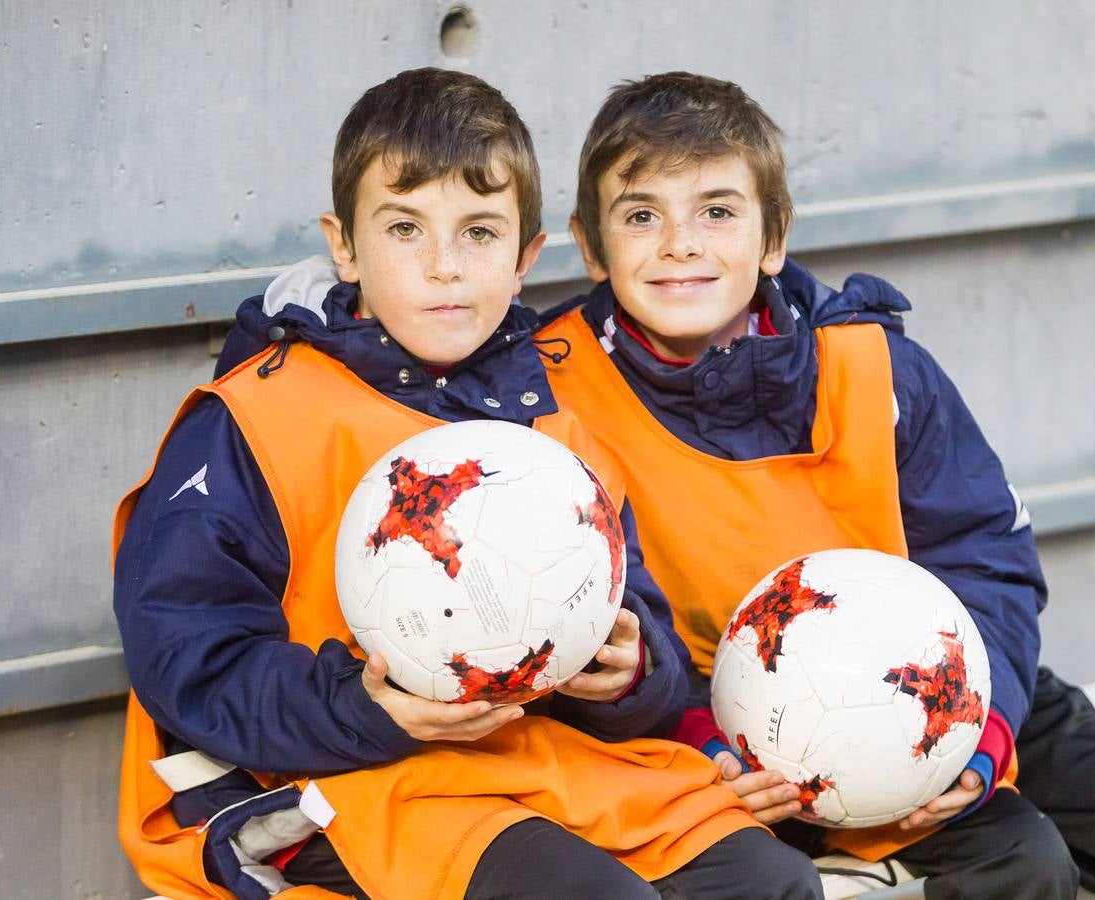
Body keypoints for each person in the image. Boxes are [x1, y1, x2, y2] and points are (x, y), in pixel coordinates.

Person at [113, 67, 823, 899]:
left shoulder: (554, 428)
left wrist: (629, 672)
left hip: (536, 765)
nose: (445, 267)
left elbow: (644, 642)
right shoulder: (256, 416)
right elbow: (185, 652)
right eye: (406, 229)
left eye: (480, 233)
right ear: (343, 244)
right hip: (339, 775)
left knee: (769, 883)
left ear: (526, 257)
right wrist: (363, 710)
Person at [533, 71, 1095, 899]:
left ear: (773, 237)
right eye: (642, 215)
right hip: (726, 736)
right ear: (589, 243)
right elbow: (584, 640)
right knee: (1024, 864)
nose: (680, 243)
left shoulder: (874, 366)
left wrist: (982, 741)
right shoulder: (549, 399)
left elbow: (987, 559)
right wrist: (703, 741)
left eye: (717, 211)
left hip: (947, 686)